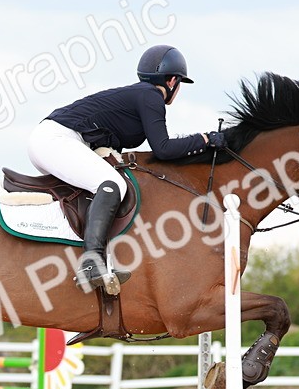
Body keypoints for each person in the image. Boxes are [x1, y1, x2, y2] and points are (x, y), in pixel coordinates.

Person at [27, 44, 226, 292]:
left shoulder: (141, 96)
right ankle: (91, 262)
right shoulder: (151, 96)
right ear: (173, 81)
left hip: (57, 139)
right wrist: (204, 140)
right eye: (180, 84)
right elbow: (163, 148)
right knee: (113, 184)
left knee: (109, 182)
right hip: (56, 140)